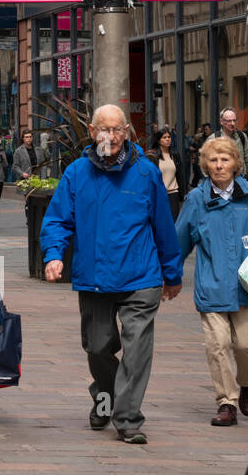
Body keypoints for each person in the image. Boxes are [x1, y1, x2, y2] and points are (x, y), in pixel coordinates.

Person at [40, 104, 183, 444]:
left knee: (136, 350)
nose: (111, 136)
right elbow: (58, 220)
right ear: (92, 132)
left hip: (141, 276)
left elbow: (163, 225)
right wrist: (53, 256)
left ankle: (128, 417)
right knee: (98, 348)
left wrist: (172, 273)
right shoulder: (76, 173)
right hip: (95, 277)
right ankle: (105, 399)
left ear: (127, 133)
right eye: (104, 129)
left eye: (118, 129)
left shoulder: (146, 173)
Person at [174, 135, 248, 426]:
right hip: (212, 285)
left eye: (225, 159)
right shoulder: (197, 199)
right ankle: (226, 402)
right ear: (205, 165)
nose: (219, 165)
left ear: (236, 164)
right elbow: (179, 241)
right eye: (213, 160)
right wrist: (169, 276)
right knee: (217, 345)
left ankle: (247, 382)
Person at [146, 126, 186, 221]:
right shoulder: (153, 156)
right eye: (164, 137)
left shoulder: (175, 155)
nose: (168, 139)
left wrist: (182, 193)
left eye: (169, 137)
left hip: (173, 194)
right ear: (159, 140)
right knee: (160, 222)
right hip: (159, 194)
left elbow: (180, 175)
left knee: (174, 222)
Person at [218, 108, 248, 188]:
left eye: (234, 120)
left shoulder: (242, 136)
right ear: (221, 121)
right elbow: (206, 163)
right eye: (229, 121)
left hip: (241, 181)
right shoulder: (214, 138)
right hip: (222, 183)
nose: (232, 123)